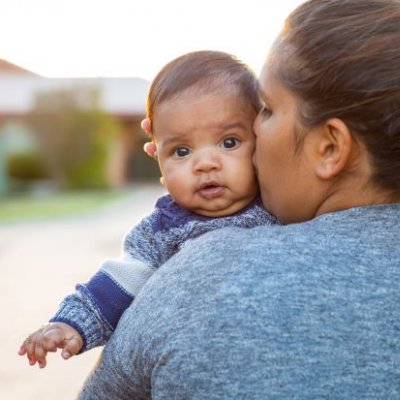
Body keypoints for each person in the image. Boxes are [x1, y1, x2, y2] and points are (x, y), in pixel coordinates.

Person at [76, 0, 400, 398]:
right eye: (179, 150)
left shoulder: (206, 275)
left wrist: (185, 152)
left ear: (330, 148)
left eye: (265, 109)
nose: (252, 135)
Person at [18, 51, 277, 368]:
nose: (206, 163)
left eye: (229, 142)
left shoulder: (281, 203)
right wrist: (70, 324)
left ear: (262, 139)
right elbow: (119, 282)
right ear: (158, 158)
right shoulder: (163, 230)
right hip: (201, 361)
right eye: (181, 151)